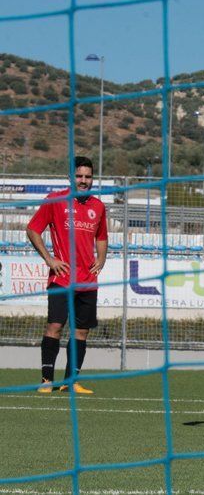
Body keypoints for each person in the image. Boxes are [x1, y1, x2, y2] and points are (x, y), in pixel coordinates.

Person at [27, 156, 108, 394]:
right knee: (55, 326)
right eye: (79, 176)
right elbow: (32, 229)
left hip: (88, 282)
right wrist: (49, 259)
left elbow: (102, 237)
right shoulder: (55, 200)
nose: (83, 181)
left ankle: (69, 381)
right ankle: (46, 380)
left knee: (81, 331)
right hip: (61, 278)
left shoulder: (98, 206)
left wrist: (101, 258)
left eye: (88, 176)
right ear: (71, 177)